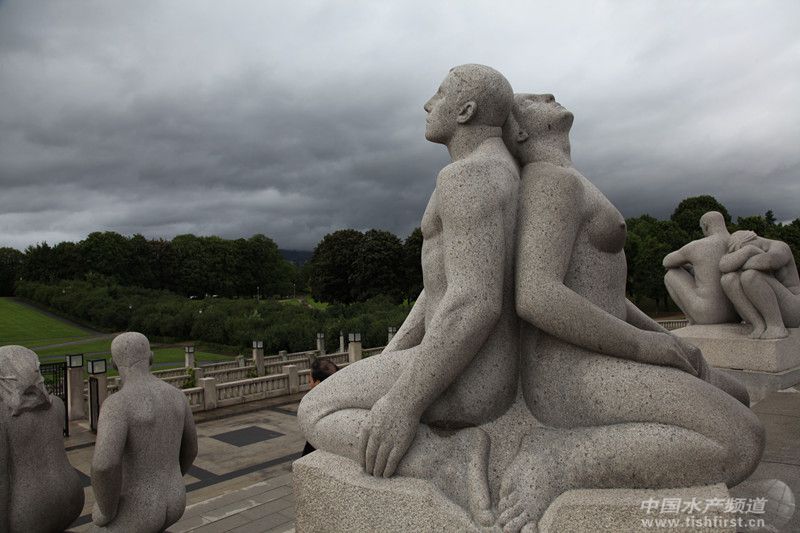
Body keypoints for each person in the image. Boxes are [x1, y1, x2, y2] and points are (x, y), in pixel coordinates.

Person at [496, 93, 764, 531]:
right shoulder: (549, 180)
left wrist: (663, 338)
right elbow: (537, 295)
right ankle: (559, 461)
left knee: (737, 395)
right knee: (742, 440)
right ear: (520, 131)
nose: (546, 95)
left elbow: (606, 298)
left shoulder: (567, 179)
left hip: (602, 355)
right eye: (529, 99)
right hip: (570, 370)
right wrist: (643, 346)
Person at [297, 64, 521, 525]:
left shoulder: (468, 176)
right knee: (351, 392)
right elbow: (438, 287)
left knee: (317, 408)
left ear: (465, 111)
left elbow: (475, 301)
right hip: (473, 362)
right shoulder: (500, 169)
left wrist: (404, 402)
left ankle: (447, 460)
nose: (428, 104)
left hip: (468, 373)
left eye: (439, 94)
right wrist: (392, 357)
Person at [91, 332, 198, 532]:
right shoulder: (177, 396)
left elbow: (104, 466)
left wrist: (106, 510)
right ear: (151, 358)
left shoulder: (117, 404)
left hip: (137, 507)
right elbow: (191, 449)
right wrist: (172, 478)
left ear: (113, 364)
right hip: (176, 498)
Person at [0, 345, 84, 533]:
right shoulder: (57, 406)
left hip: (30, 511)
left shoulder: (3, 419)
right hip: (73, 495)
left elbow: (2, 481)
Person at [720, 230, 800, 339]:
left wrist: (749, 251)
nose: (740, 255)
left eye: (741, 250)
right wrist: (747, 252)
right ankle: (758, 324)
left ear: (752, 240)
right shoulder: (748, 251)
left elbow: (769, 261)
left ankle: (776, 326)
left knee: (750, 276)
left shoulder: (780, 246)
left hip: (793, 309)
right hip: (765, 308)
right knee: (728, 279)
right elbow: (723, 265)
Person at [663, 211, 739, 324]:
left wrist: (686, 262)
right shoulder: (736, 241)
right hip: (736, 314)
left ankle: (691, 321)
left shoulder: (698, 245)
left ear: (706, 226)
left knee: (671, 274)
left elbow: (666, 261)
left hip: (708, 314)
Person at [301, 358, 339, 457]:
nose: (309, 384)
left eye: (310, 380)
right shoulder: (341, 401)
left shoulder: (317, 410)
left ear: (317, 383)